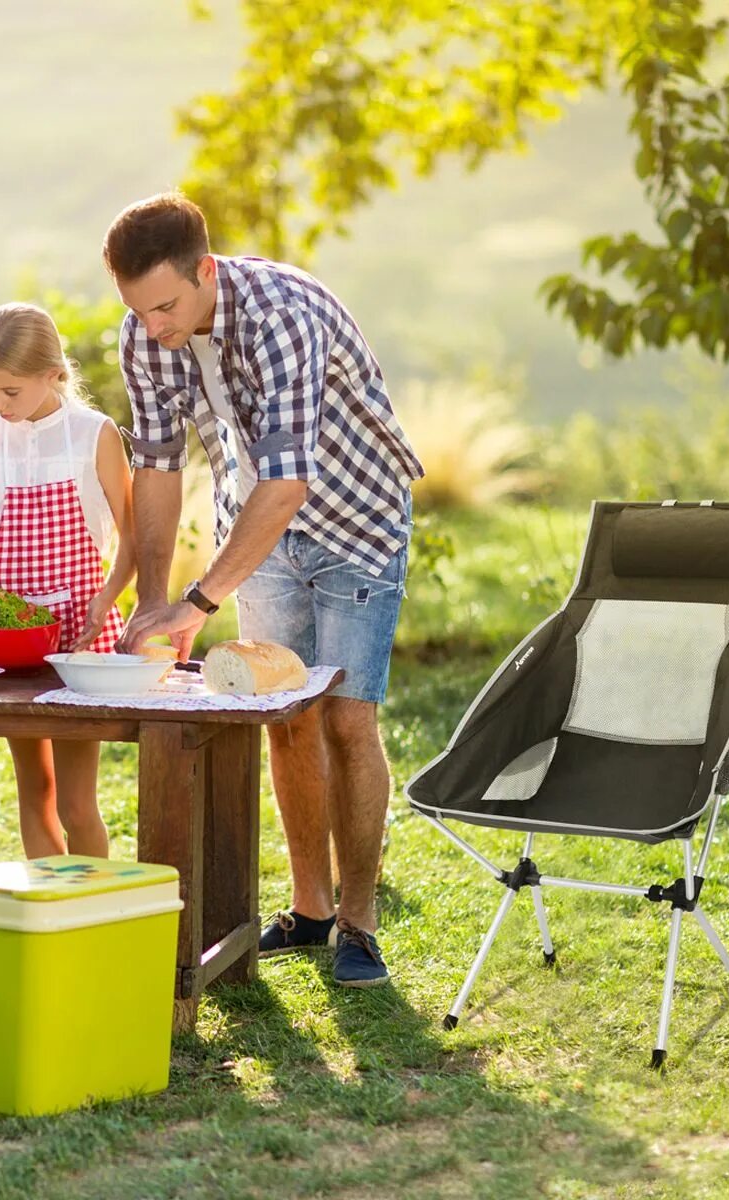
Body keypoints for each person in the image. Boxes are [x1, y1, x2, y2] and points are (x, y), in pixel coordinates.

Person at [103, 192, 423, 987]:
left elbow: (287, 483)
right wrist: (153, 600)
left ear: (206, 271)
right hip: (256, 533)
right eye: (139, 312)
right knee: (284, 716)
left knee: (348, 720)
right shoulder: (147, 335)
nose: (154, 328)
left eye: (166, 307)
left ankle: (359, 924)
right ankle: (310, 911)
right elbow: (156, 468)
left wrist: (199, 601)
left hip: (355, 521)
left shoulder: (281, 316)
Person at [0, 303, 135, 858]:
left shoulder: (95, 435)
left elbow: (131, 540)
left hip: (78, 641)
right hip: (8, 644)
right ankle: (51, 918)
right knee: (33, 792)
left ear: (53, 374)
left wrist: (107, 599)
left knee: (75, 802)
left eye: (10, 391)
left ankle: (92, 912)